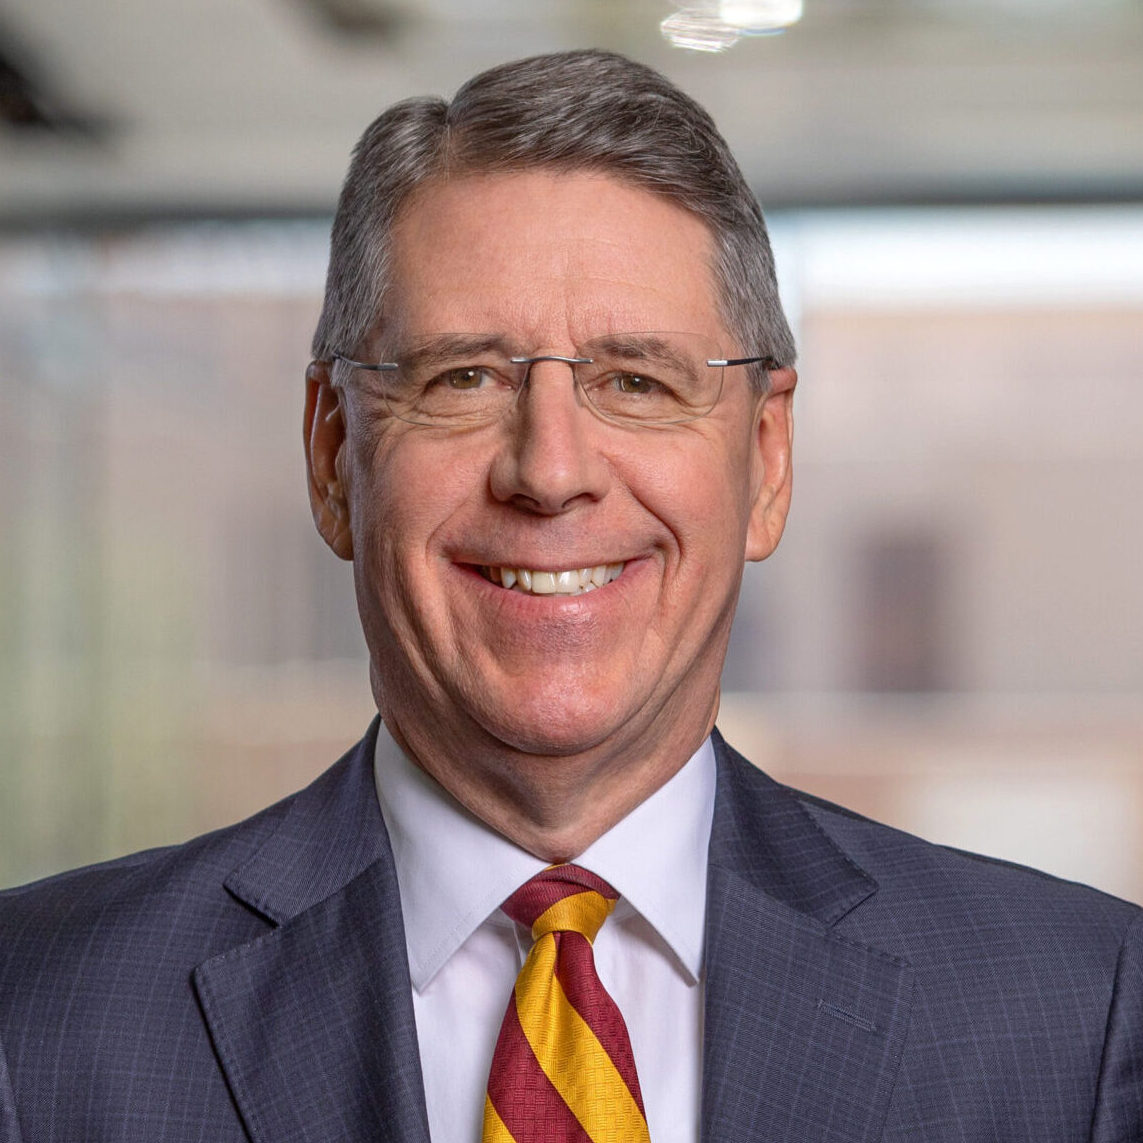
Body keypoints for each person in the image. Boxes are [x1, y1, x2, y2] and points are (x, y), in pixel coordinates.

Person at [0, 48, 1140, 1143]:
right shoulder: (39, 1019)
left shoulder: (1077, 1019)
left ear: (768, 460)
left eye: (637, 381)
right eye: (464, 378)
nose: (549, 472)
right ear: (332, 454)